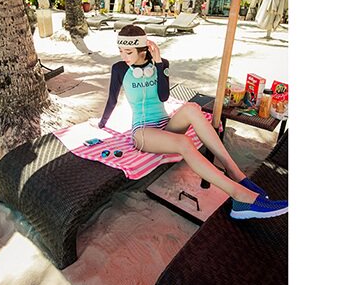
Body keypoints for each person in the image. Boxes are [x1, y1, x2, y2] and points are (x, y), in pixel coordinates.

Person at [98, 25, 288, 220]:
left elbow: (163, 97)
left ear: (142, 48)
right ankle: (240, 196)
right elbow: (112, 99)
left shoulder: (161, 64)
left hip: (166, 125)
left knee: (191, 108)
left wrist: (158, 63)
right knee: (184, 142)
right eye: (121, 51)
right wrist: (102, 123)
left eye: (128, 52)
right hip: (143, 133)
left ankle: (235, 173)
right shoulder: (119, 69)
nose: (123, 56)